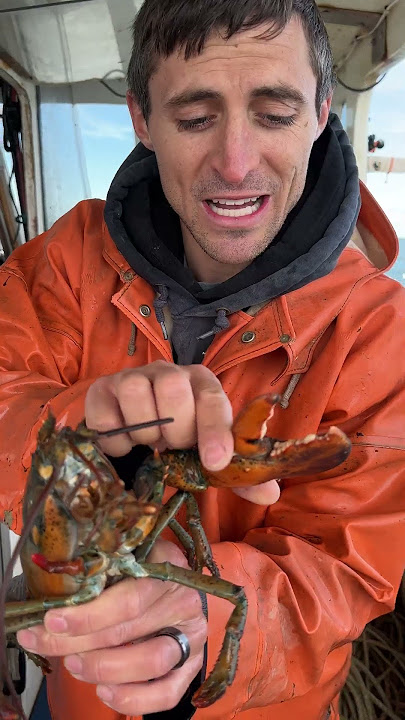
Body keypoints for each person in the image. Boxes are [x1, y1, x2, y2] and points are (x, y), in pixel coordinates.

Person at [0, 0, 404, 718]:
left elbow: (350, 570)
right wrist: (73, 433)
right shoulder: (65, 262)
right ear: (140, 119)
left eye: (274, 114)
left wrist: (203, 620)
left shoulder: (380, 328)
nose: (235, 163)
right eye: (194, 119)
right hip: (75, 692)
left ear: (320, 111)